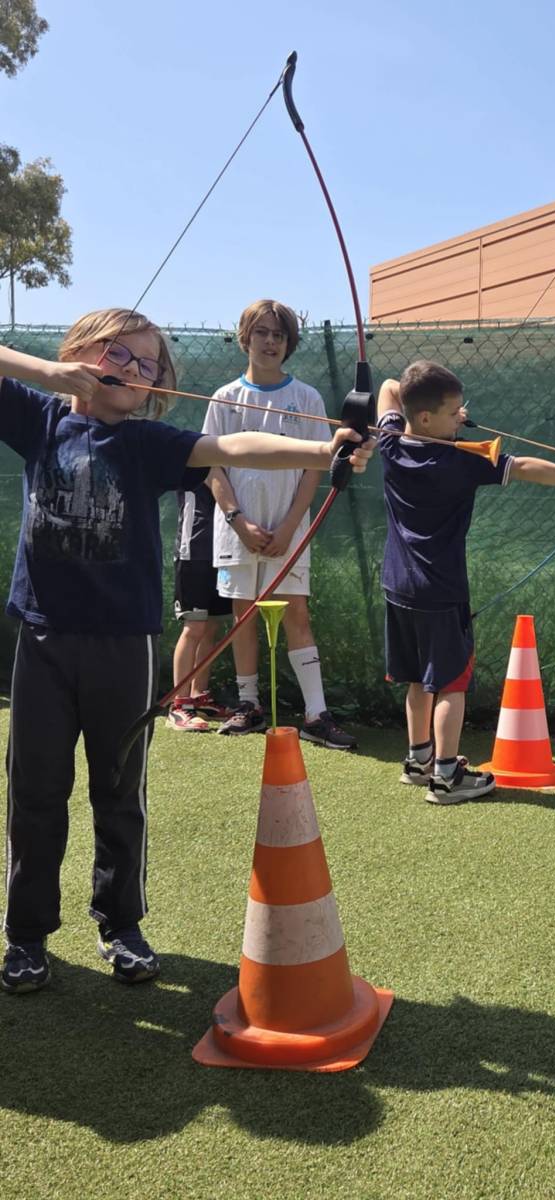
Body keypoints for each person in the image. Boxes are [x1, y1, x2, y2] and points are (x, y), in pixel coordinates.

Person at [0, 309, 371, 995]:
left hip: (124, 644)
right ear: (80, 353)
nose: (135, 371)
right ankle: (26, 937)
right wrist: (49, 375)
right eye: (120, 354)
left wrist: (326, 452)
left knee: (119, 793)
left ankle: (120, 924)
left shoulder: (148, 443)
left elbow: (239, 449)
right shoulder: (40, 420)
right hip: (44, 639)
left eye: (150, 366)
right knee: (35, 794)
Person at [377, 360, 555, 805]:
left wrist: (442, 415)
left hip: (397, 585)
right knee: (449, 682)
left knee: (415, 676)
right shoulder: (459, 460)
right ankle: (446, 777)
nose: (460, 418)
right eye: (452, 412)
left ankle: (417, 760)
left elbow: (392, 386)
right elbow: (523, 466)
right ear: (426, 418)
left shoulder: (390, 441)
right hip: (440, 590)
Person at [203, 299, 356, 749]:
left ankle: (315, 713)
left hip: (289, 531)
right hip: (236, 532)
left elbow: (316, 468)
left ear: (288, 343)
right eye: (262, 332)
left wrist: (290, 527)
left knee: (298, 615)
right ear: (245, 337)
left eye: (279, 335)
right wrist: (238, 521)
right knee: (242, 615)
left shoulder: (306, 398)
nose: (270, 342)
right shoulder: (224, 398)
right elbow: (212, 468)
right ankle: (248, 705)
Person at [168, 484, 234, 731]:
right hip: (192, 548)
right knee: (194, 627)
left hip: (222, 548)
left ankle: (199, 697)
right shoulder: (194, 449)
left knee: (210, 627)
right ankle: (179, 705)